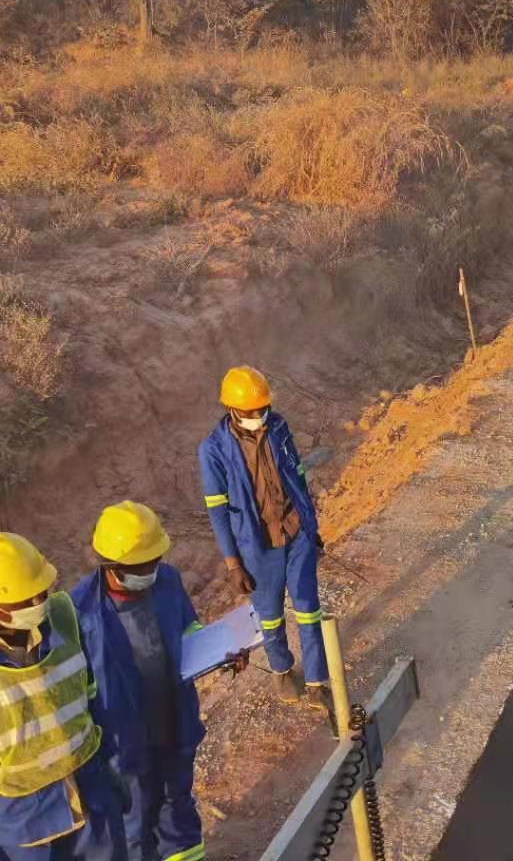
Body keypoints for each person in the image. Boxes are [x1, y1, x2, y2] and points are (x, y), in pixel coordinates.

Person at [74, 503, 218, 861]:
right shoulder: (79, 611)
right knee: (134, 827)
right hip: (123, 744)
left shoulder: (167, 580)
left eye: (154, 561)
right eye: (142, 566)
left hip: (173, 721)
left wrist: (219, 649)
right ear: (110, 565)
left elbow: (188, 628)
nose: (151, 572)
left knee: (179, 813)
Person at [198, 366, 330, 708]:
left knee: (308, 610)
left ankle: (317, 681)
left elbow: (298, 478)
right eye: (251, 411)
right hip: (257, 546)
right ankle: (283, 671)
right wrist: (232, 563)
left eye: (262, 409)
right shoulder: (212, 450)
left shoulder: (279, 428)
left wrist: (311, 529)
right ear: (231, 408)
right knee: (269, 616)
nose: (258, 416)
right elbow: (218, 510)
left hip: (295, 532)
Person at [0, 532, 126, 860]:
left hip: (91, 794)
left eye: (40, 593)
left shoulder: (61, 619)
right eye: (25, 600)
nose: (37, 604)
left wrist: (109, 764)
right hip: (26, 825)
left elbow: (91, 696)